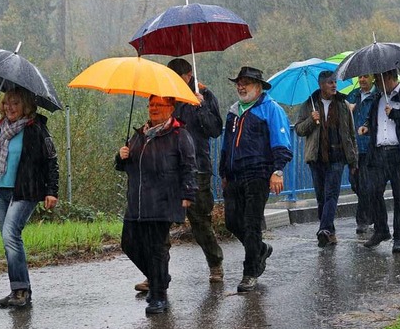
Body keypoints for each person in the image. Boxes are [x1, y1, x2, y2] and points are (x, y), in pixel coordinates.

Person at [136, 58, 222, 287]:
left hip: (197, 168)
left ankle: (215, 264)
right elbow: (158, 122)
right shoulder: (166, 94)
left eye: (178, 77)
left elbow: (215, 129)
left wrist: (200, 106)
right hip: (166, 168)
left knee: (199, 222)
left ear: (189, 74)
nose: (174, 81)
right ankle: (156, 274)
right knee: (160, 222)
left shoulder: (204, 94)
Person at [0, 87, 59, 308]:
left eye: (15, 103)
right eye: (6, 103)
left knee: (11, 235)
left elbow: (51, 160)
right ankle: (18, 290)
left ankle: (21, 291)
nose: (9, 108)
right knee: (7, 240)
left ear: (26, 107)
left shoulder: (36, 129)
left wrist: (52, 191)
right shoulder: (0, 128)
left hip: (25, 190)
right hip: (0, 190)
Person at [116, 94, 197, 314]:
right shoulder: (139, 135)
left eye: (159, 104)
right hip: (137, 200)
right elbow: (127, 166)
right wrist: (121, 156)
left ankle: (158, 296)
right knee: (129, 243)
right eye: (151, 104)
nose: (153, 108)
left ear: (171, 108)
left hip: (164, 199)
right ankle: (159, 278)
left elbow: (189, 166)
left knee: (157, 248)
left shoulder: (179, 135)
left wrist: (188, 193)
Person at [219, 67, 292, 292]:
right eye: (239, 83)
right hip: (234, 176)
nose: (241, 87)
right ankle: (260, 249)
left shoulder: (270, 109)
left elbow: (281, 141)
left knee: (251, 224)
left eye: (247, 83)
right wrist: (224, 172)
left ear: (258, 87)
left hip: (258, 174)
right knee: (231, 221)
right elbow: (226, 145)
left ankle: (250, 272)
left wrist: (277, 171)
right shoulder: (233, 111)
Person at [359, 69, 400, 252]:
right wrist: (366, 127)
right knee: (372, 191)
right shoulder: (377, 98)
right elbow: (373, 120)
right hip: (379, 152)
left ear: (389, 78)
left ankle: (399, 238)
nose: (375, 84)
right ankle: (381, 230)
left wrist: (396, 114)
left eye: (378, 80)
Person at [295, 70, 358, 247]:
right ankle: (330, 231)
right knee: (321, 197)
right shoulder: (309, 105)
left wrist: (353, 160)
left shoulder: (342, 104)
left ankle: (323, 229)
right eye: (330, 83)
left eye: (335, 82)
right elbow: (299, 130)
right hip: (316, 158)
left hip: (337, 157)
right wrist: (310, 120)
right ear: (321, 85)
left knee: (331, 194)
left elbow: (351, 133)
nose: (334, 85)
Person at [346, 74, 376, 233]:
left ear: (372, 78)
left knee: (365, 184)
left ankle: (362, 220)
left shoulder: (377, 96)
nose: (362, 79)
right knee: (354, 182)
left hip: (370, 147)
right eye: (360, 77)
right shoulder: (353, 95)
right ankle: (372, 211)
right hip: (353, 147)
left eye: (366, 77)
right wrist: (348, 109)